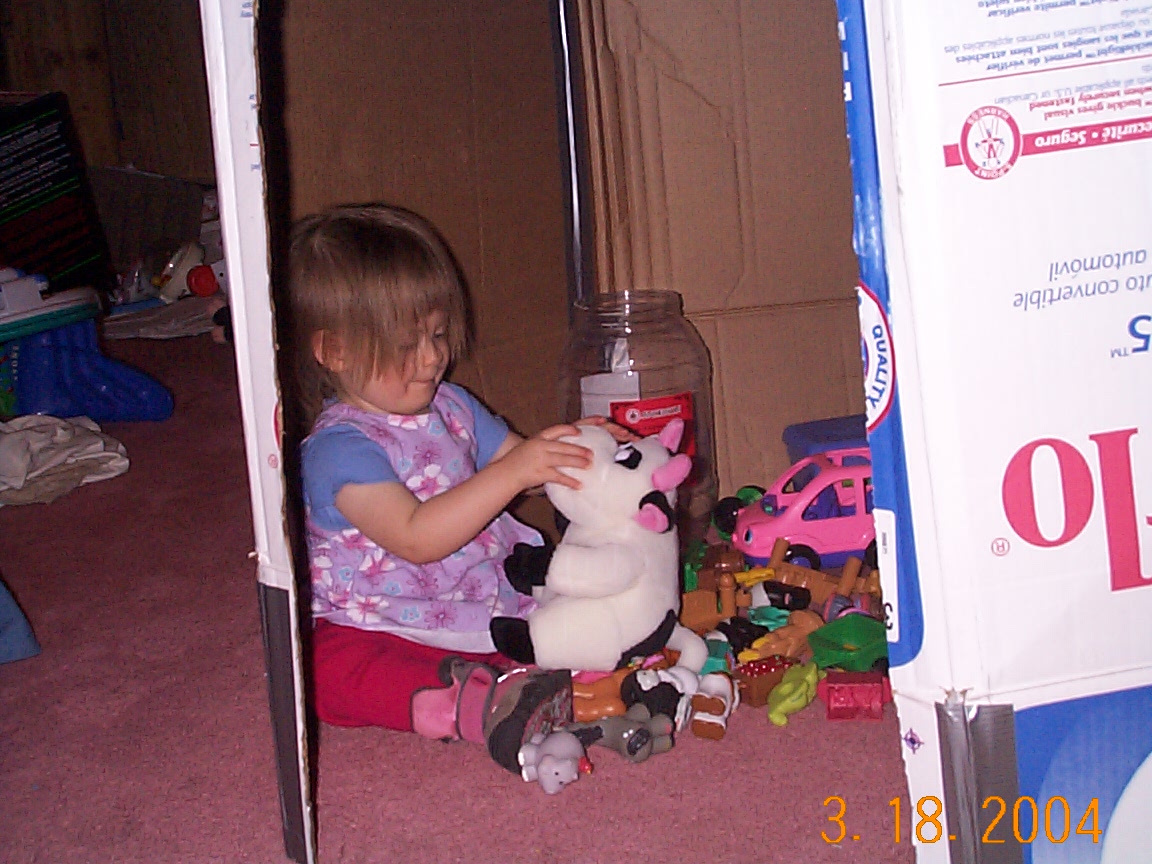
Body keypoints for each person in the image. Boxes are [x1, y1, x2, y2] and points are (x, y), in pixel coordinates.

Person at [289, 203, 605, 761]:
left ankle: (516, 680)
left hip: (480, 601)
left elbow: (527, 471)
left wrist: (585, 453)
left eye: (437, 333)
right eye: (406, 345)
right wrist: (517, 469)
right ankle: (457, 702)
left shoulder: (453, 405)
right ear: (333, 351)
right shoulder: (338, 449)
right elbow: (416, 537)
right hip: (381, 619)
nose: (434, 356)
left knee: (564, 612)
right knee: (319, 667)